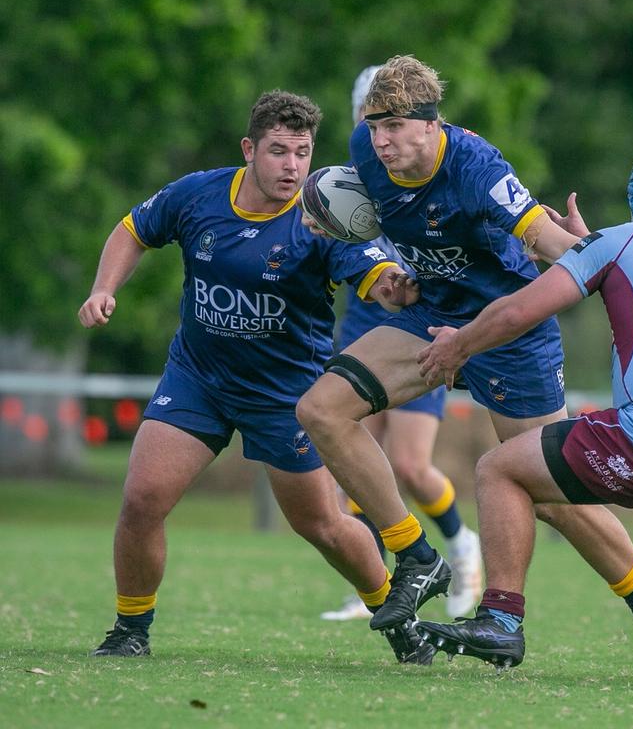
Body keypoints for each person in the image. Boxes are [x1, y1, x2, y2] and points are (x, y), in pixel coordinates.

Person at [297, 57, 633, 661]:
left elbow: (549, 243)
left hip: (509, 334)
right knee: (322, 409)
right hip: (428, 320)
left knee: (553, 498)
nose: (381, 141)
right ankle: (417, 555)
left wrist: (590, 250)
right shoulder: (365, 153)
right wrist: (357, 250)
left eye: (394, 127)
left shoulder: (477, 167)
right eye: (373, 127)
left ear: (430, 124)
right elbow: (362, 219)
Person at [78, 89, 432, 664]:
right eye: (277, 151)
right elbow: (132, 230)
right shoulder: (198, 195)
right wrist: (103, 289)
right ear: (249, 149)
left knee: (322, 526)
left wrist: (397, 285)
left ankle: (395, 612)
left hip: (287, 398)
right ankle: (131, 628)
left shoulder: (323, 219)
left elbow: (379, 277)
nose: (292, 166)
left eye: (302, 152)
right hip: (198, 379)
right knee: (142, 498)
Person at [416, 147, 633, 685]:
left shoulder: (620, 240)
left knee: (500, 469)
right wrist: (585, 247)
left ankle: (501, 619)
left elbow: (519, 310)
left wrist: (459, 345)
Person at [320, 66, 481, 623]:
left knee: (411, 465)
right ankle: (380, 579)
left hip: (418, 322)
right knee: (357, 454)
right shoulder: (354, 170)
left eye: (391, 118)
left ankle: (462, 548)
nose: (380, 131)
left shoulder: (431, 169)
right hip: (364, 318)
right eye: (371, 115)